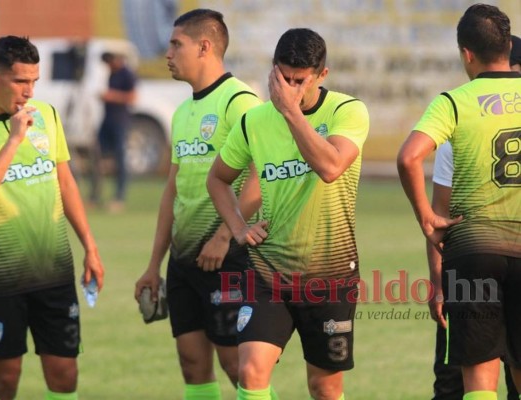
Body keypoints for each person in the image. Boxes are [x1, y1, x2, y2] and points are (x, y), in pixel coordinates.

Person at [207, 28, 369, 400]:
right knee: (250, 372)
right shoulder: (255, 122)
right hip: (268, 272)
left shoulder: (348, 111)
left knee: (324, 388)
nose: (289, 88)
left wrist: (291, 113)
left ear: (322, 75)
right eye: (283, 78)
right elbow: (218, 179)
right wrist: (238, 227)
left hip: (330, 273)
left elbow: (330, 167)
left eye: (299, 81)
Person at [134, 9, 262, 400]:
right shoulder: (183, 111)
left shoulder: (240, 102)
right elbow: (173, 190)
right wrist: (154, 265)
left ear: (204, 46)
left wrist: (226, 236)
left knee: (237, 366)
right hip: (185, 260)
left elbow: (260, 176)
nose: (168, 53)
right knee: (191, 362)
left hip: (229, 257)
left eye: (176, 44)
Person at [398, 4, 521, 399]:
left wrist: (427, 218)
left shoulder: (453, 102)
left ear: (466, 52)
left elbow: (408, 157)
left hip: (472, 252)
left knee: (479, 381)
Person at [0, 36, 105, 400]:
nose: (29, 91)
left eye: (34, 81)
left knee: (64, 373)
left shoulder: (47, 115)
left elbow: (65, 182)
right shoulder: (11, 128)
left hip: (53, 271)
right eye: (20, 82)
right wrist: (13, 142)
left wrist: (90, 246)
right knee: (5, 378)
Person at [429, 35, 521, 400]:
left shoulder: (457, 112)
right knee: (454, 382)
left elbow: (438, 212)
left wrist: (438, 278)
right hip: (486, 258)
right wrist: (437, 281)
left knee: (471, 383)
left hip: (473, 258)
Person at [89, 51, 137, 213]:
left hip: (120, 122)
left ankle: (119, 198)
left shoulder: (127, 74)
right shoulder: (112, 74)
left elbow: (132, 97)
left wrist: (110, 96)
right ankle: (95, 196)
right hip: (107, 120)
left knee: (120, 159)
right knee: (97, 156)